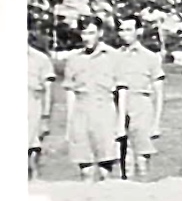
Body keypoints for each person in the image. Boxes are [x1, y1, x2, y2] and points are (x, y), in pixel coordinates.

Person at [62, 16, 127, 182]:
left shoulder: (114, 57)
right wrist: (70, 124)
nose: (87, 38)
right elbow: (70, 93)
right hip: (81, 114)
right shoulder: (73, 59)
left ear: (100, 33)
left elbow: (122, 92)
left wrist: (120, 125)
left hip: (104, 113)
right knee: (85, 169)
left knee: (106, 169)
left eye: (91, 33)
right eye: (84, 33)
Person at [115, 14, 166, 180]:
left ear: (139, 31)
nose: (124, 34)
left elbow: (158, 93)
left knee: (142, 157)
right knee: (123, 158)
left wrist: (156, 123)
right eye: (121, 30)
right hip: (118, 108)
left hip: (142, 108)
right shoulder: (113, 56)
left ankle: (144, 191)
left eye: (129, 30)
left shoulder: (150, 57)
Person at [28, 37, 56, 180]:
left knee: (33, 144)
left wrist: (46, 116)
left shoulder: (40, 59)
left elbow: (48, 90)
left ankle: (34, 177)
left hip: (32, 105)